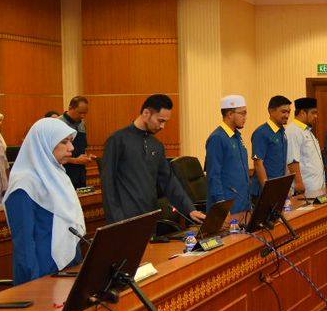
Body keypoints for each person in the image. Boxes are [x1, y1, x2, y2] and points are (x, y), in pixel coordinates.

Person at [99, 93, 204, 224]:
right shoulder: (117, 140)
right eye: (160, 121)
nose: (162, 126)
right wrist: (116, 221)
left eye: (165, 122)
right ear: (146, 113)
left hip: (151, 216)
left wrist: (190, 209)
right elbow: (107, 184)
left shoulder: (157, 145)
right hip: (124, 219)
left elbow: (169, 181)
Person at [3, 117, 84, 284]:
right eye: (64, 142)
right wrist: (33, 286)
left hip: (69, 268)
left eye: (71, 141)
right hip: (41, 274)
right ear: (44, 144)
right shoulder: (23, 185)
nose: (71, 147)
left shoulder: (58, 175)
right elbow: (24, 246)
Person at [205, 95, 250, 214]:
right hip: (227, 206)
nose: (245, 117)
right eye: (242, 113)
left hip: (242, 202)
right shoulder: (217, 138)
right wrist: (222, 206)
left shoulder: (237, 136)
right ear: (230, 114)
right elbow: (213, 175)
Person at [252, 95, 293, 196]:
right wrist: (268, 191)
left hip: (279, 188)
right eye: (283, 112)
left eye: (288, 112)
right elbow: (258, 164)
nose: (287, 115)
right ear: (271, 111)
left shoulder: (282, 132)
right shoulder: (261, 132)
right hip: (264, 191)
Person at [288, 97, 325, 199]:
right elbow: (292, 160)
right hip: (305, 189)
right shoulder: (293, 131)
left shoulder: (307, 130)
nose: (316, 116)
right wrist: (299, 183)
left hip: (316, 187)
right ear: (302, 113)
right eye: (313, 113)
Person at [59, 96, 94, 189]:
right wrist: (75, 160)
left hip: (80, 174)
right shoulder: (58, 124)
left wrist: (86, 157)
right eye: (80, 112)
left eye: (85, 113)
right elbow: (53, 155)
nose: (83, 116)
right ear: (70, 108)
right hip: (64, 173)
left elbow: (82, 147)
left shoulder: (82, 124)